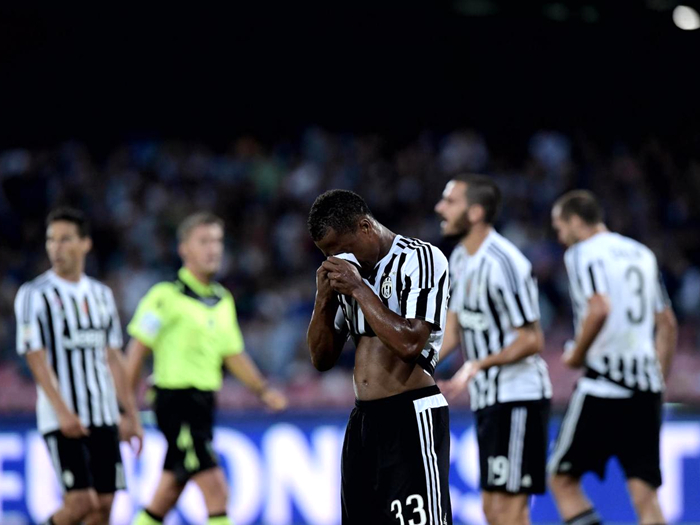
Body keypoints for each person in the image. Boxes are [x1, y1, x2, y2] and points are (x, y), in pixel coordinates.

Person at [125, 212, 288, 525]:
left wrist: (262, 390)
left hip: (203, 404)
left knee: (169, 489)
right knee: (216, 490)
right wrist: (127, 408)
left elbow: (232, 353)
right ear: (184, 249)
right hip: (176, 402)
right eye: (203, 241)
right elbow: (136, 352)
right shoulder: (164, 297)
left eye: (217, 241)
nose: (213, 249)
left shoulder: (221, 299)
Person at [306, 189, 452, 525]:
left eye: (340, 249)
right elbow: (321, 359)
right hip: (363, 422)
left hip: (411, 416)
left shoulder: (421, 259)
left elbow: (410, 344)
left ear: (365, 227)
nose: (335, 260)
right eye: (326, 254)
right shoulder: (347, 275)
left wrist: (359, 288)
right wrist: (323, 299)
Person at [548, 190, 677, 525]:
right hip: (646, 389)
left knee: (562, 479)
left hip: (603, 386)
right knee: (645, 494)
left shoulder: (582, 253)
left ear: (575, 221)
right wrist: (658, 380)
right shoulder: (642, 253)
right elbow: (667, 323)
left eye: (560, 228)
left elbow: (599, 307)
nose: (560, 237)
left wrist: (576, 355)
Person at [434, 175, 552, 525]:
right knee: (492, 510)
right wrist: (413, 367)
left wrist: (477, 365)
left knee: (509, 510)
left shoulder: (505, 261)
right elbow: (453, 328)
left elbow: (532, 339)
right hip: (488, 400)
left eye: (450, 201)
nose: (440, 208)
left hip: (518, 396)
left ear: (475, 212)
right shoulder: (459, 258)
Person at [14, 207, 143, 525]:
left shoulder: (101, 295)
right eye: (51, 240)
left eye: (65, 239)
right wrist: (62, 411)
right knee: (80, 502)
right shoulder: (34, 294)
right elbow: (34, 356)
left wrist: (130, 414)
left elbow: (114, 357)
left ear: (85, 244)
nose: (56, 248)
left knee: (105, 504)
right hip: (62, 416)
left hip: (103, 414)